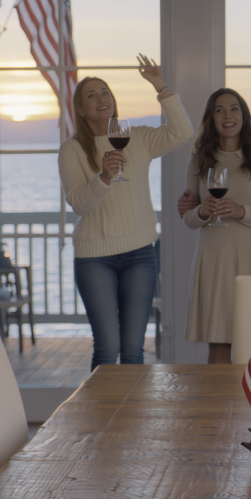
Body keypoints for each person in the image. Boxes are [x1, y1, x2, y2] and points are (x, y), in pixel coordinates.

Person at [59, 55, 192, 370]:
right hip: (95, 259)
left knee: (133, 350)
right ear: (81, 109)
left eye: (104, 92)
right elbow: (79, 203)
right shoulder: (72, 149)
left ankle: (131, 419)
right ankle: (102, 418)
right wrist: (104, 178)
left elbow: (182, 132)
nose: (101, 98)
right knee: (108, 349)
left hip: (139, 255)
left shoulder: (140, 138)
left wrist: (161, 86)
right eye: (91, 95)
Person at [179, 88, 251, 364]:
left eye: (234, 109)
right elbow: (188, 218)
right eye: (220, 110)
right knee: (219, 345)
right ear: (211, 118)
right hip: (214, 257)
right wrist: (201, 211)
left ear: (244, 116)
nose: (228, 115)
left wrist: (241, 211)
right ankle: (217, 406)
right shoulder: (198, 160)